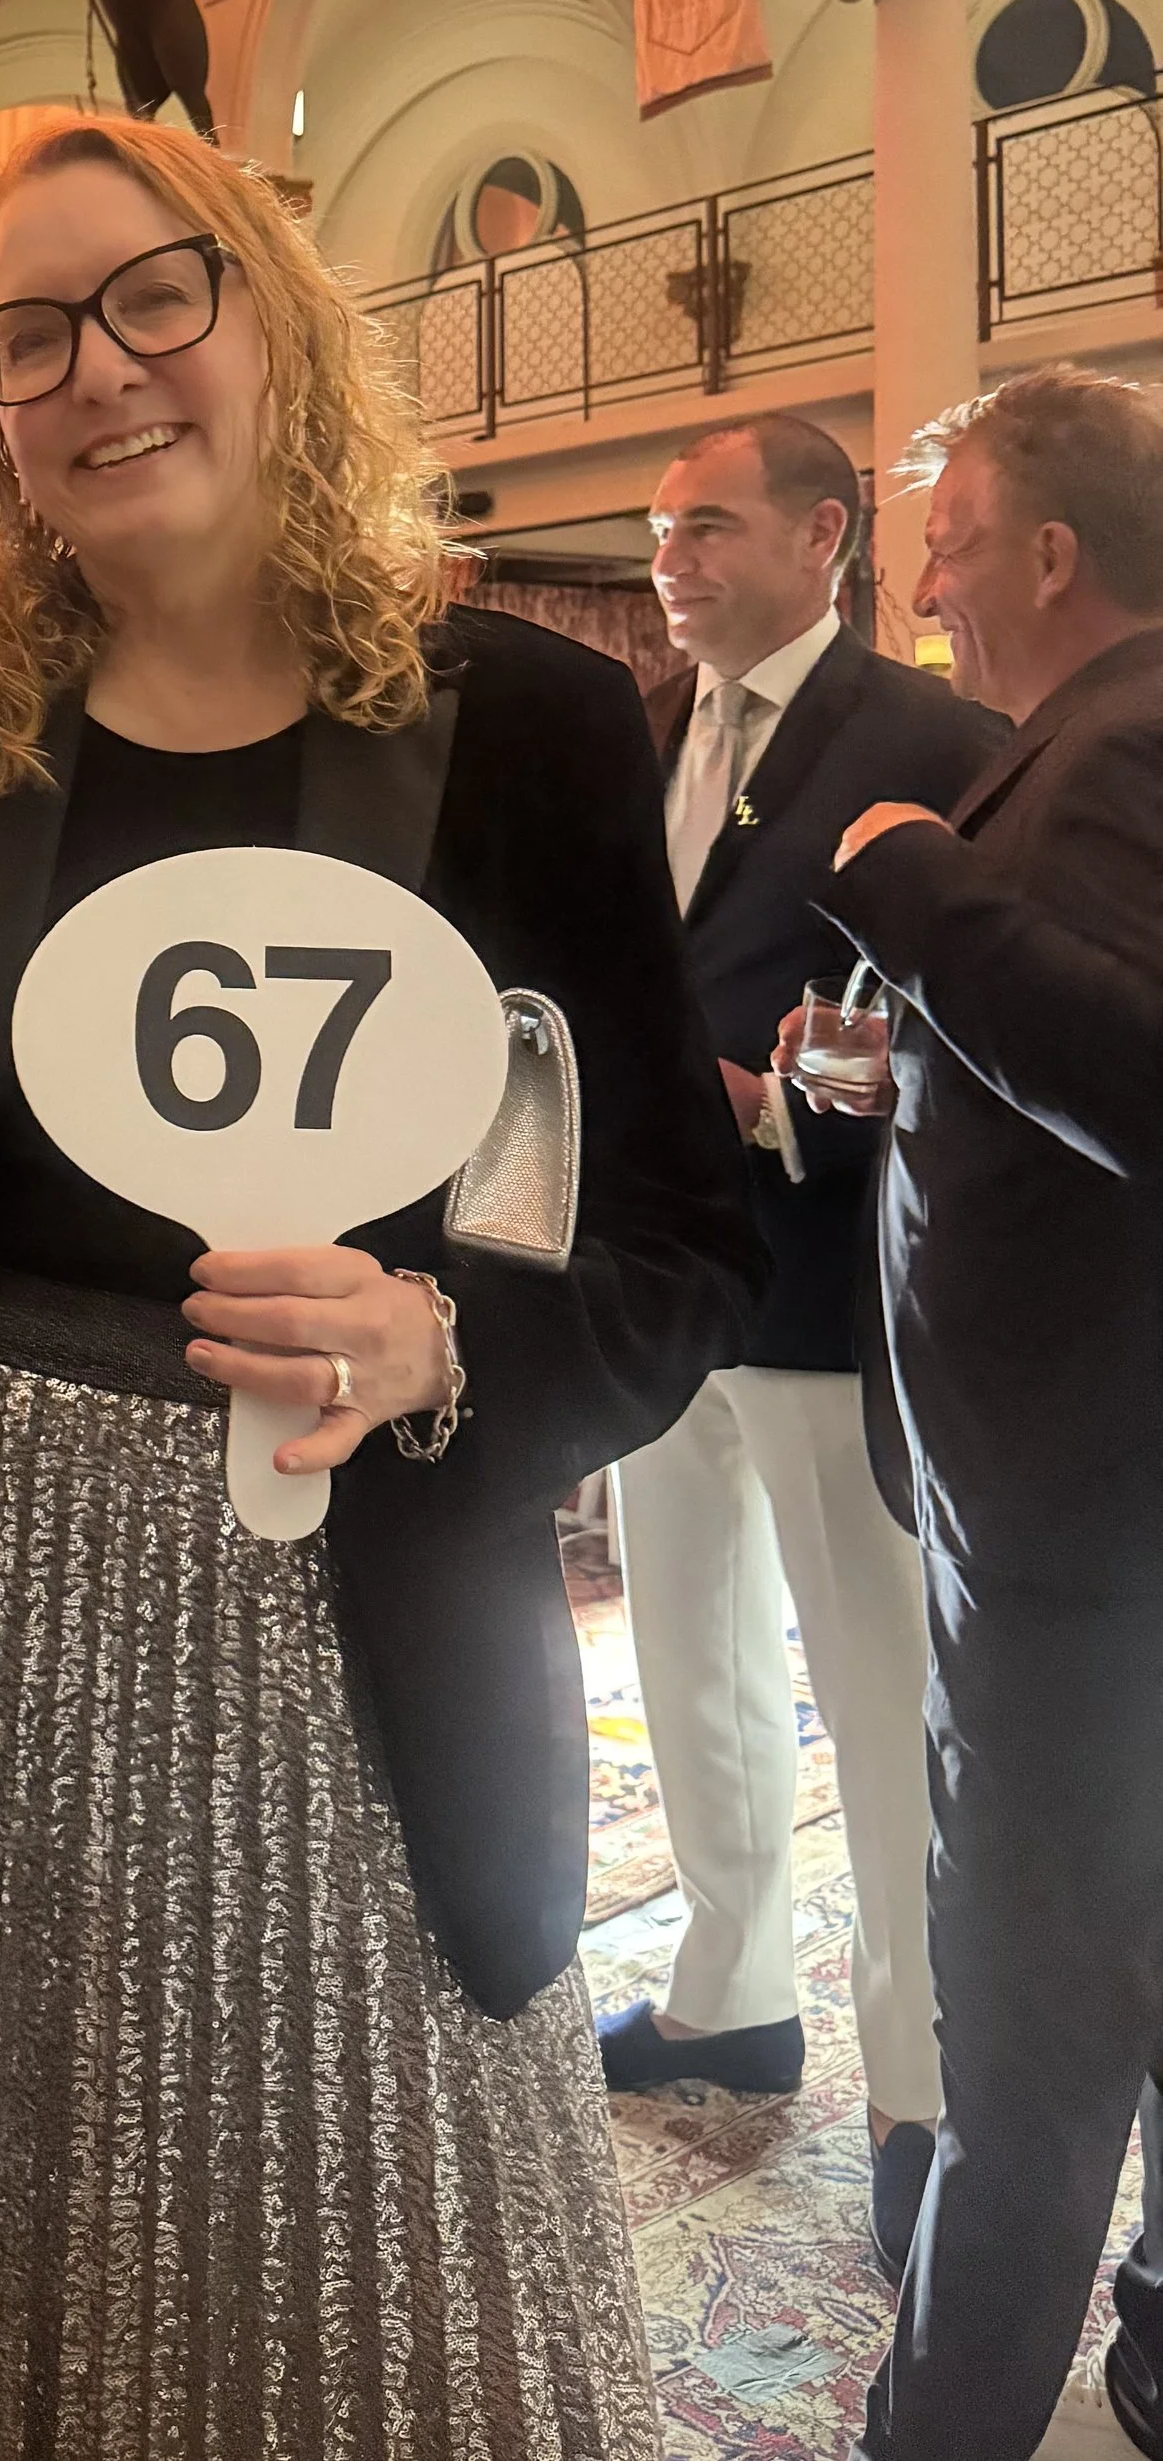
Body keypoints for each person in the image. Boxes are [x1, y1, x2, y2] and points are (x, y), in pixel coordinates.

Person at [0, 117, 761, 2457]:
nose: (97, 373)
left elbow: (682, 1242)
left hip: (369, 1605)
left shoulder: (519, 721)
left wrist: (449, 1338)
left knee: (377, 2241)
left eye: (149, 298)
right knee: (11, 2216)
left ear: (264, 316)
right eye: (23, 335)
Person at [776, 366, 1163, 2461]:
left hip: (1074, 1517)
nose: (920, 587)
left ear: (1043, 547)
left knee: (1021, 2030)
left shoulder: (1113, 744)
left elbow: (1136, 1077)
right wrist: (894, 1059)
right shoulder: (1084, 744)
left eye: (941, 544)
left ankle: (930, 2429)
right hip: (1084, 1495)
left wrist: (909, 888)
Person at [603, 414, 1001, 2269]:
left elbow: (990, 1016)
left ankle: (923, 2090)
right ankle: (727, 1987)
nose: (670, 551)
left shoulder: (932, 736)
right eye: (659, 524)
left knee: (878, 1701)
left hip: (832, 1282)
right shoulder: (639, 725)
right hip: (648, 1278)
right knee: (686, 1655)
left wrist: (807, 1088)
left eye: (708, 520)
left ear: (824, 533)